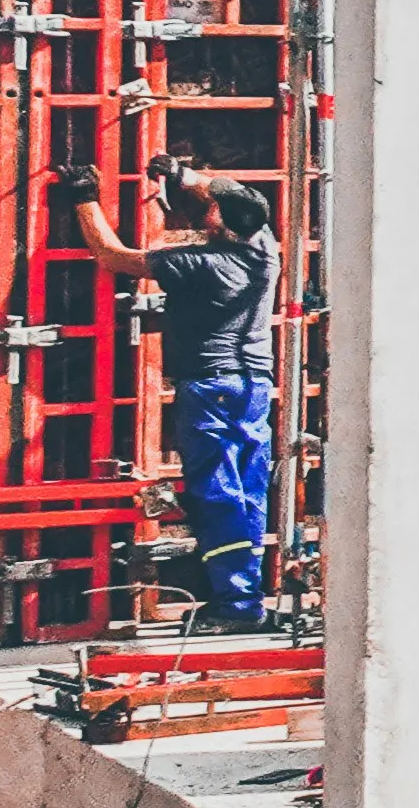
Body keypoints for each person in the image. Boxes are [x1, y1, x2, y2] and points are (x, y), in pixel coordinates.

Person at [72, 160, 282, 630]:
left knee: (217, 494)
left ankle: (237, 606)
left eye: (212, 206)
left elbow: (112, 256)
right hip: (253, 388)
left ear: (219, 222)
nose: (206, 204)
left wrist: (85, 197)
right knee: (248, 492)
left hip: (211, 389)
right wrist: (181, 174)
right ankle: (244, 596)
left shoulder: (197, 264)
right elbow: (219, 194)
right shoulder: (266, 247)